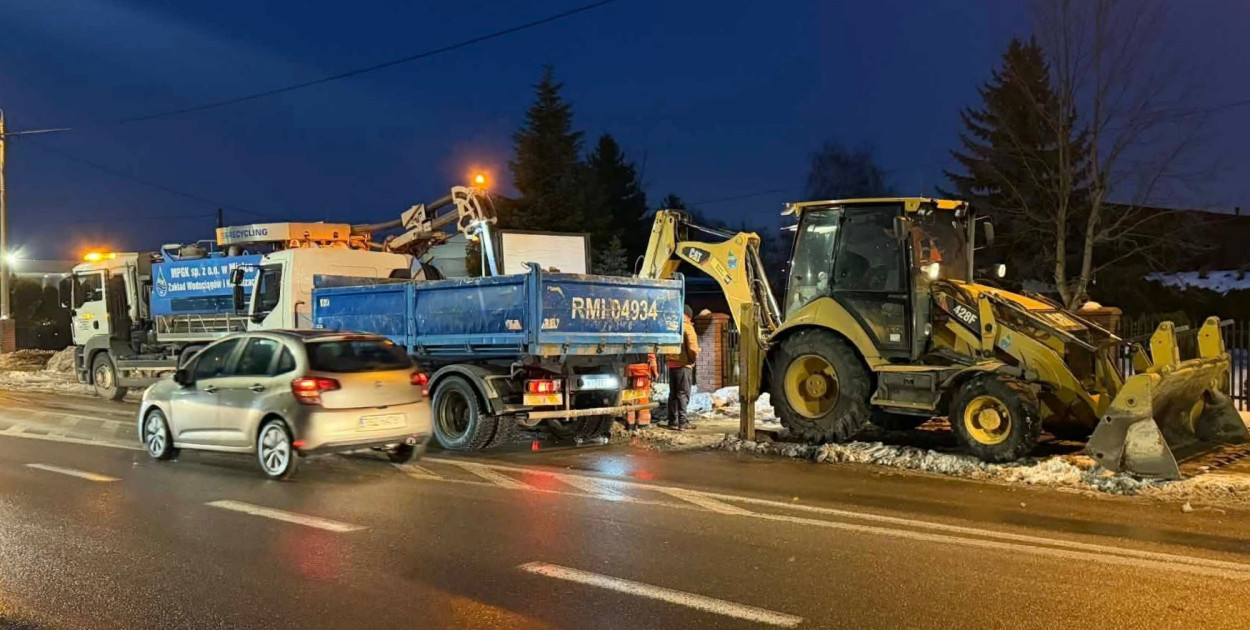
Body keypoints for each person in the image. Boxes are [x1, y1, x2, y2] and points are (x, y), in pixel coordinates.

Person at [667, 305, 700, 431]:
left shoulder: (672, 326)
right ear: (689, 315)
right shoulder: (687, 326)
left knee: (673, 394)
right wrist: (692, 359)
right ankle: (683, 422)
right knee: (683, 394)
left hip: (672, 364)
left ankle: (672, 421)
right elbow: (692, 347)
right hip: (683, 365)